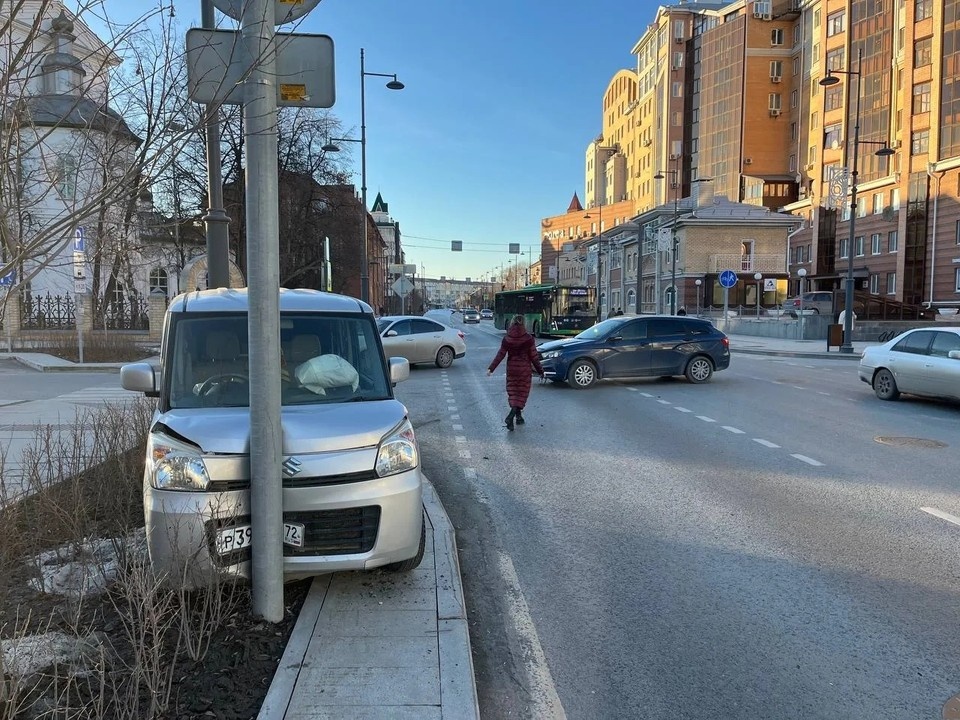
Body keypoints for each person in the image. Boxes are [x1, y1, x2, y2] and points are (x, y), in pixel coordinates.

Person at [487, 315, 544, 431]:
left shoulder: (507, 338)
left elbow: (501, 354)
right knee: (522, 393)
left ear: (512, 323)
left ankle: (518, 417)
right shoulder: (528, 339)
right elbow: (534, 357)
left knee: (513, 393)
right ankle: (511, 416)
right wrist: (540, 371)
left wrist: (491, 368)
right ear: (524, 323)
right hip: (524, 370)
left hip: (512, 369)